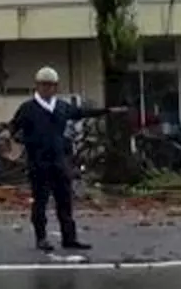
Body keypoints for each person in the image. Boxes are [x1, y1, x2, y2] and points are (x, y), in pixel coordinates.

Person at [10, 66, 126, 252]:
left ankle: (69, 238)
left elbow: (82, 112)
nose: (47, 89)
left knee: (65, 201)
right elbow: (13, 129)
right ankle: (41, 238)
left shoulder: (62, 107)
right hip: (38, 164)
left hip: (59, 161)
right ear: (37, 86)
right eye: (44, 85)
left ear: (56, 87)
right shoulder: (28, 108)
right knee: (40, 202)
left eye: (51, 85)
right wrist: (23, 142)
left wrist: (107, 111)